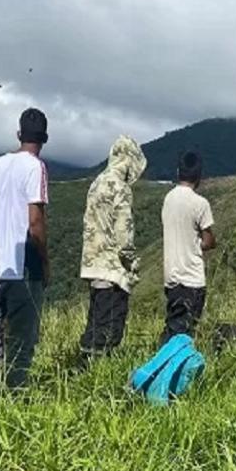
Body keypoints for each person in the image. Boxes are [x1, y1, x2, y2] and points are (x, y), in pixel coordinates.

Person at [0, 108, 50, 393]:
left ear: (18, 134)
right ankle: (16, 399)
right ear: (45, 138)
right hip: (24, 267)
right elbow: (35, 222)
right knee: (22, 340)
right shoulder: (36, 167)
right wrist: (45, 262)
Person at [77, 134, 147, 361]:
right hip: (113, 269)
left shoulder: (96, 183)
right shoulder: (121, 188)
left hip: (93, 265)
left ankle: (83, 368)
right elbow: (123, 232)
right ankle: (95, 374)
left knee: (96, 321)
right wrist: (132, 262)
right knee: (109, 328)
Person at [159, 151, 215, 346]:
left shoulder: (168, 199)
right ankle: (168, 370)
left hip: (171, 277)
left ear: (178, 172)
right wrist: (198, 241)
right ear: (199, 175)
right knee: (184, 333)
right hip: (191, 278)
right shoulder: (200, 204)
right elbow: (208, 241)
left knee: (174, 325)